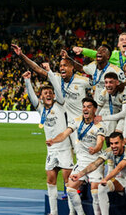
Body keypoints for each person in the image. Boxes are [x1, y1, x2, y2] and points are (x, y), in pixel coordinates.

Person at [12, 44, 91, 147]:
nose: (62, 68)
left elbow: (96, 78)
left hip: (78, 123)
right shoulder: (57, 78)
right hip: (62, 125)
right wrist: (21, 55)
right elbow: (38, 69)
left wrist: (70, 59)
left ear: (72, 68)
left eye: (65, 65)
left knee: (82, 154)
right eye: (60, 66)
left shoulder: (82, 80)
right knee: (65, 155)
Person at [23, 68, 73, 215]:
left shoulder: (60, 104)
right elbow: (32, 97)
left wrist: (50, 73)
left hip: (64, 148)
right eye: (45, 93)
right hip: (51, 151)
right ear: (41, 97)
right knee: (51, 181)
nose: (49, 94)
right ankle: (53, 212)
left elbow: (57, 87)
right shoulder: (40, 109)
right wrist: (27, 80)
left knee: (68, 181)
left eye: (50, 93)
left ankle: (71, 212)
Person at [46, 97, 105, 215]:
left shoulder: (100, 125)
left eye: (89, 107)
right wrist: (54, 140)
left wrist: (95, 149)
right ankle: (80, 213)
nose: (85, 109)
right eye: (84, 106)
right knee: (71, 189)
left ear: (95, 109)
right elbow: (64, 134)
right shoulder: (77, 120)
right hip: (81, 162)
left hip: (95, 162)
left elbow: (100, 143)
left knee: (95, 193)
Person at [70, 132, 126, 215]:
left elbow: (119, 168)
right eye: (111, 143)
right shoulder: (109, 151)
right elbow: (95, 164)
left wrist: (106, 179)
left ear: (123, 142)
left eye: (116, 143)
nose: (113, 146)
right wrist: (79, 174)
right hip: (124, 179)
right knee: (102, 187)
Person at [96, 72, 126, 136]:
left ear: (117, 82)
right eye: (106, 82)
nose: (108, 85)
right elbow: (97, 110)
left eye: (111, 82)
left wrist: (103, 118)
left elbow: (124, 114)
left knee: (118, 132)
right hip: (117, 112)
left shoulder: (123, 92)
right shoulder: (104, 92)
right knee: (109, 129)